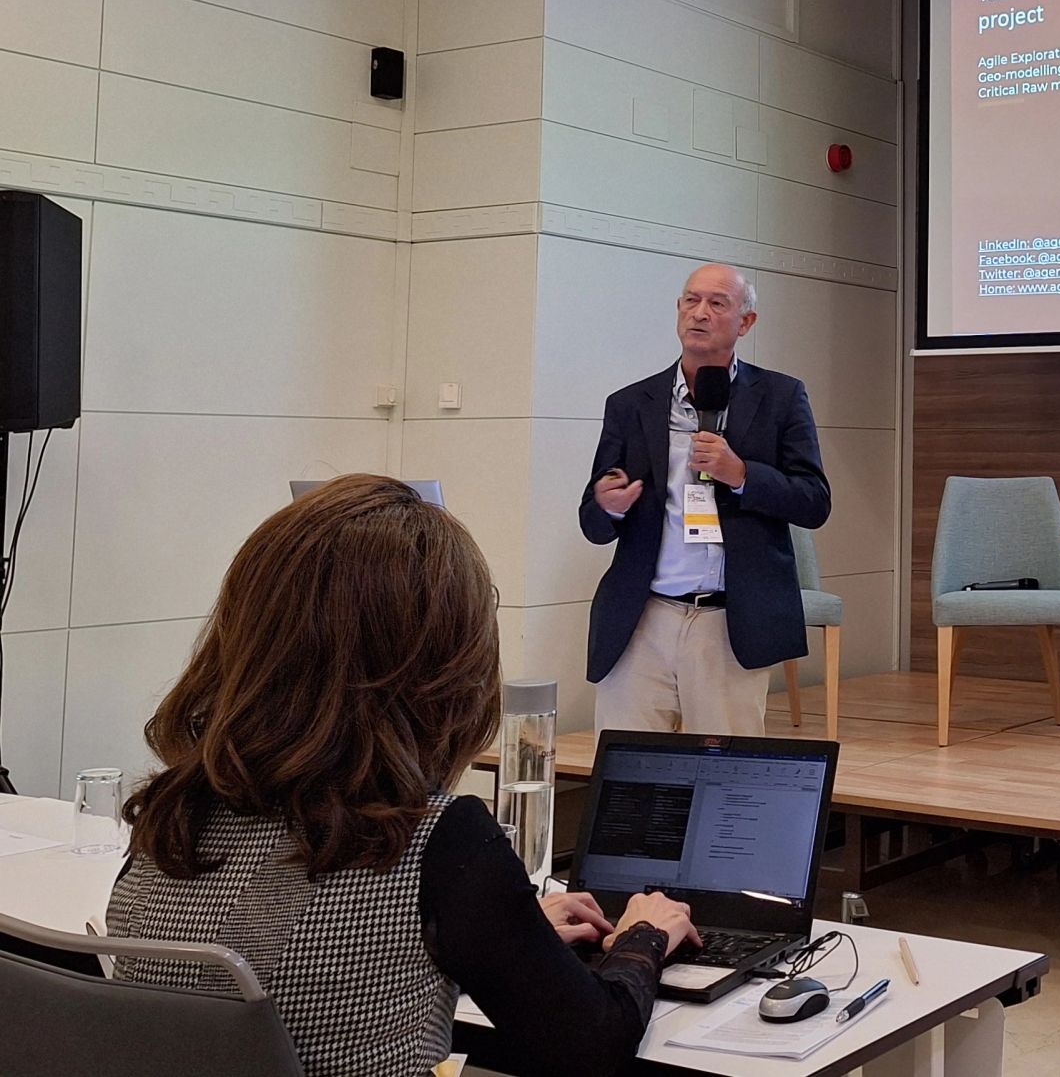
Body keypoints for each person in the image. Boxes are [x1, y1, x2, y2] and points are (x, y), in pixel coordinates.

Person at [110, 475, 699, 1077]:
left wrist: (508, 935)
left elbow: (301, 956)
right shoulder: (436, 838)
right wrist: (643, 937)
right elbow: (592, 1050)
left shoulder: (173, 813)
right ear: (445, 662)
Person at [579, 263, 831, 734]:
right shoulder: (630, 404)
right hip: (643, 618)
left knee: (723, 769)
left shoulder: (780, 396)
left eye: (717, 303)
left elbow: (814, 501)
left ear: (745, 322)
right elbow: (592, 522)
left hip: (730, 622)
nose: (700, 313)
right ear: (678, 309)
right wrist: (609, 505)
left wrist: (742, 475)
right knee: (628, 766)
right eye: (691, 301)